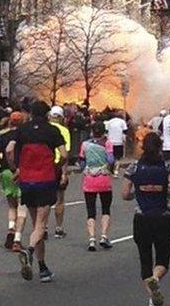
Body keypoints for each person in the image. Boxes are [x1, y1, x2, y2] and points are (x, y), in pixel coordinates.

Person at [7, 101, 68, 283]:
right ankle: (30, 250)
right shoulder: (52, 131)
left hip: (26, 180)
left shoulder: (22, 130)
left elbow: (9, 149)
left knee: (36, 225)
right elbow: (64, 155)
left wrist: (15, 169)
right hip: (45, 179)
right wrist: (56, 167)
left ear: (31, 114)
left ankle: (42, 268)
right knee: (41, 225)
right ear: (47, 114)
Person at [122, 133, 170, 306]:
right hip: (162, 216)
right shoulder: (167, 166)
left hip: (142, 217)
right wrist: (162, 191)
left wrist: (138, 193)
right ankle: (156, 278)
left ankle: (152, 298)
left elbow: (125, 194)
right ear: (160, 147)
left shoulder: (133, 167)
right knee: (163, 260)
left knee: (145, 259)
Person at [0, 111, 26, 251]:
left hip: (6, 172)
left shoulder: (3, 135)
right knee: (22, 206)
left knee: (12, 205)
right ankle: (17, 238)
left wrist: (0, 161)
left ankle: (11, 227)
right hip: (21, 171)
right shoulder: (25, 136)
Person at [79, 122, 115, 251]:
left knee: (91, 211)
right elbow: (111, 160)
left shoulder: (85, 145)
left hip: (89, 180)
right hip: (104, 179)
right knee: (105, 209)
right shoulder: (107, 143)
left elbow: (81, 161)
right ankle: (104, 236)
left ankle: (92, 239)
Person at [49, 106, 72, 239]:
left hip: (46, 166)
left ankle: (43, 227)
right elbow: (65, 154)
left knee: (44, 199)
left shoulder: (44, 129)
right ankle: (58, 228)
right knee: (59, 198)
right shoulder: (64, 131)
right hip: (58, 166)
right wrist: (64, 173)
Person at [105, 110, 128, 177]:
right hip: (119, 142)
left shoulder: (109, 122)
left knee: (110, 156)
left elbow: (106, 132)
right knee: (117, 158)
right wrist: (124, 139)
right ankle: (116, 171)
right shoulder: (122, 122)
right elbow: (125, 131)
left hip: (110, 142)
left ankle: (110, 170)